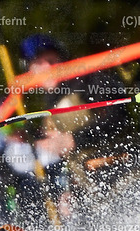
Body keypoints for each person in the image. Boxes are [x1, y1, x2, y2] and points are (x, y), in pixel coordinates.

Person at [19, 34, 130, 219]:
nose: (47, 68)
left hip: (124, 173)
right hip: (96, 193)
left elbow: (118, 119)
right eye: (38, 64)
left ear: (62, 58)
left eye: (51, 61)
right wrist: (68, 191)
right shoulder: (49, 106)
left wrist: (74, 139)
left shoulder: (88, 78)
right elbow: (70, 161)